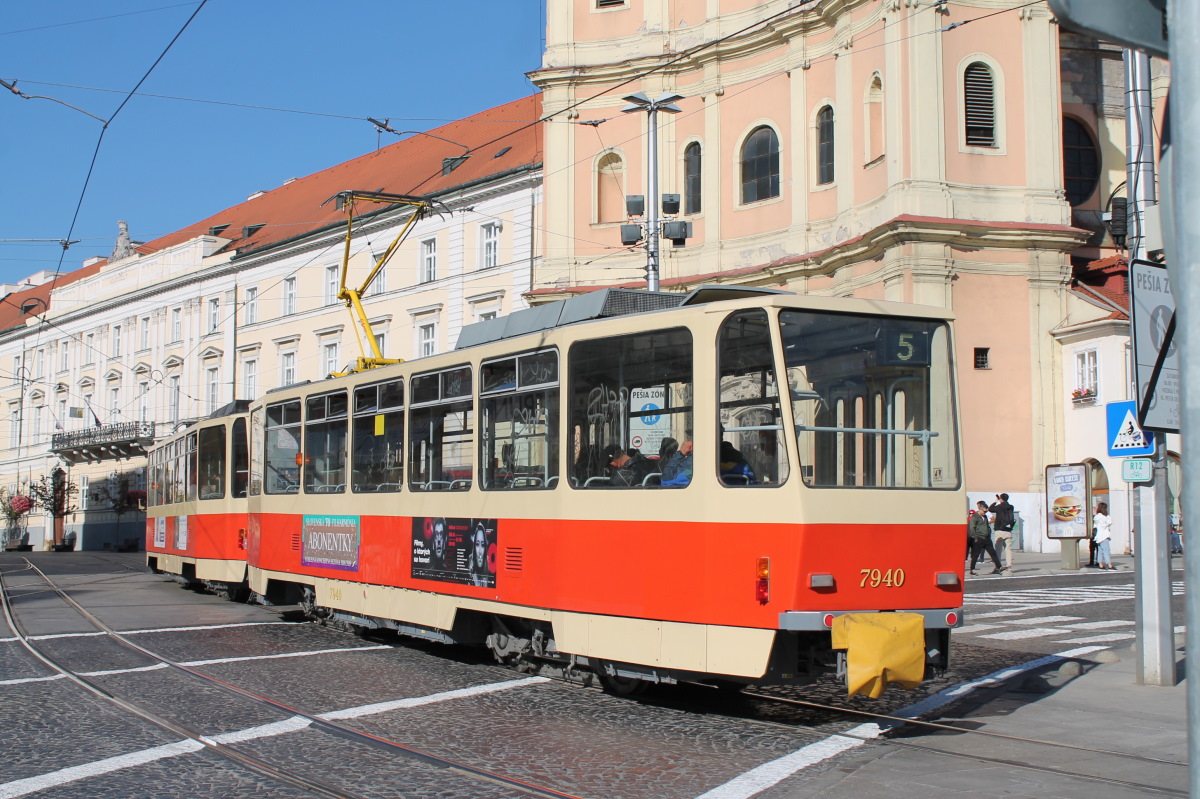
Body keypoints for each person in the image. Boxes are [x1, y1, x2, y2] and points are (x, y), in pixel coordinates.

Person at [968, 500, 1003, 576]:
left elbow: (987, 526)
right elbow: (972, 528)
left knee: (993, 553)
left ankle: (999, 567)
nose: (985, 513)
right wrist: (975, 538)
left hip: (986, 538)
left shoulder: (985, 516)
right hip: (979, 538)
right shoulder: (975, 517)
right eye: (984, 511)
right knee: (975, 555)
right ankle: (972, 569)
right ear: (980, 509)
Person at [987, 493, 1016, 573]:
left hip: (999, 530)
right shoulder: (1011, 507)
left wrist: (995, 501)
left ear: (1001, 499)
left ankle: (998, 567)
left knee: (998, 550)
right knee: (1008, 549)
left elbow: (990, 509)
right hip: (1008, 530)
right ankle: (1009, 566)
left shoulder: (999, 507)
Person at [1094, 502, 1114, 570]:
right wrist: (1107, 516)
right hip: (1104, 536)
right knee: (1106, 550)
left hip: (1098, 536)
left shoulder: (1097, 517)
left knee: (1100, 551)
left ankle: (1100, 564)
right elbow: (1110, 522)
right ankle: (1109, 564)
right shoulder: (1104, 517)